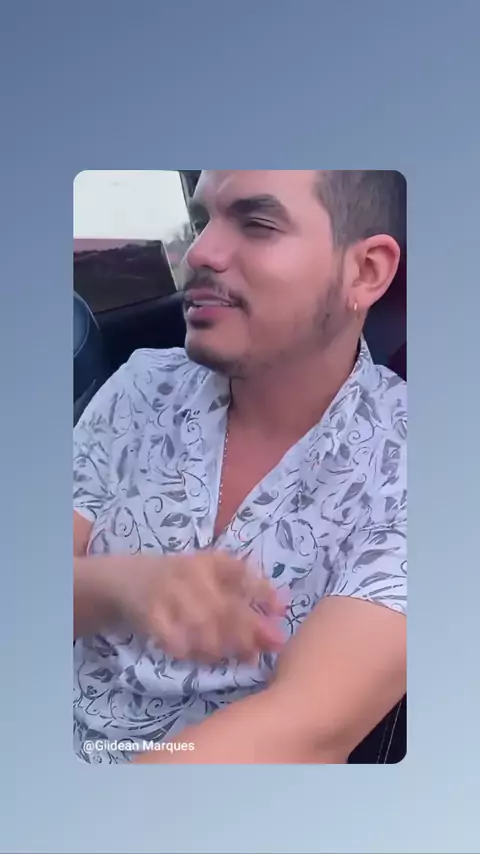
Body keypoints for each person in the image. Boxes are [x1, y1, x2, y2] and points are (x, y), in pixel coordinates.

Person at [74, 169, 407, 764]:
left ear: (366, 271)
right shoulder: (141, 385)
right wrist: (121, 585)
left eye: (257, 224)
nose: (199, 253)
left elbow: (304, 728)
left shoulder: (415, 461)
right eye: (202, 221)